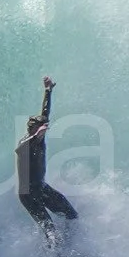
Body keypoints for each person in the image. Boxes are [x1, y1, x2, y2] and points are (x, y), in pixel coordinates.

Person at [15, 76, 78, 229]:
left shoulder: (39, 136)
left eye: (44, 127)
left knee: (71, 215)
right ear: (33, 130)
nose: (45, 130)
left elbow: (45, 112)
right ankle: (52, 252)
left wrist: (48, 90)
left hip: (42, 188)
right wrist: (36, 136)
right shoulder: (25, 144)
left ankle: (70, 241)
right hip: (28, 195)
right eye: (41, 129)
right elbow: (19, 149)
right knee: (50, 230)